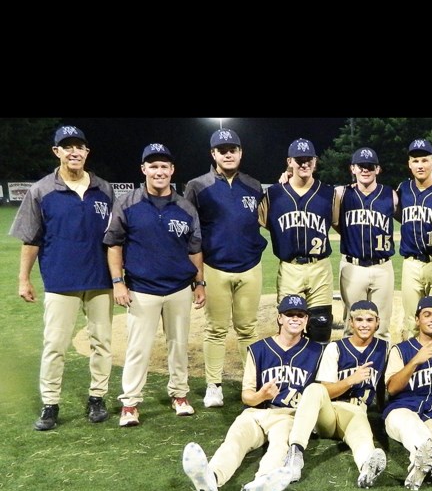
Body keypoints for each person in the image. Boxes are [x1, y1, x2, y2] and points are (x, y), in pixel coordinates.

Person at [10, 125, 115, 431]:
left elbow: (116, 237)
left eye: (79, 146)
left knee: (102, 342)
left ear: (86, 152)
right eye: (67, 147)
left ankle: (97, 398)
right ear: (56, 152)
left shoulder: (104, 189)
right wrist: (23, 279)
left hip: (100, 279)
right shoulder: (41, 190)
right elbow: (31, 239)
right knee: (55, 345)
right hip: (60, 280)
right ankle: (50, 404)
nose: (74, 152)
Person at [181, 295, 322, 491]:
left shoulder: (317, 351)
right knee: (235, 439)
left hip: (289, 415)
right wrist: (261, 395)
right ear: (280, 318)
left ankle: (263, 481)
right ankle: (211, 478)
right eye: (290, 314)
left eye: (300, 315)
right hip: (256, 412)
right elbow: (247, 396)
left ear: (306, 320)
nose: (295, 319)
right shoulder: (259, 350)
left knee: (280, 445)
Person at [104, 142, 205, 427]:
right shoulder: (128, 203)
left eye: (164, 166)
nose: (159, 171)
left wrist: (200, 282)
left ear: (172, 170)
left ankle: (180, 395)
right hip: (141, 288)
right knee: (138, 348)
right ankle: (130, 403)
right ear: (143, 169)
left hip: (178, 289)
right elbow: (113, 244)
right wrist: (118, 282)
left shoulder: (185, 206)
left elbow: (195, 249)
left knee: (179, 345)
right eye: (153, 166)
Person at [183, 128, 267, 409]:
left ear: (241, 153)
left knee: (248, 328)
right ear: (213, 154)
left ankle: (251, 384)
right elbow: (191, 232)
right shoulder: (197, 186)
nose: (228, 153)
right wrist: (198, 278)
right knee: (215, 329)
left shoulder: (254, 185)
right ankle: (213, 385)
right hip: (214, 267)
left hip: (250, 267)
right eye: (222, 150)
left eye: (233, 149)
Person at [283, 300, 390, 488]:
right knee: (314, 389)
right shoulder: (335, 348)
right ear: (351, 323)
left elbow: (381, 382)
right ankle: (295, 452)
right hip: (330, 413)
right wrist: (351, 380)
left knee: (363, 437)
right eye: (359, 320)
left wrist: (383, 409)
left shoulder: (384, 348)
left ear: (377, 322)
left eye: (369, 320)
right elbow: (325, 390)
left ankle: (366, 467)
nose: (364, 324)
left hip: (356, 412)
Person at [259, 138, 336, 344]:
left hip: (320, 267)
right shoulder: (274, 194)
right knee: (289, 327)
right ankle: (291, 371)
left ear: (315, 161)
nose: (304, 164)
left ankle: (318, 374)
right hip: (290, 268)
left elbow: (338, 223)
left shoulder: (329, 193)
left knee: (321, 327)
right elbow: (263, 222)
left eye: (308, 159)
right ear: (289, 162)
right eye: (299, 160)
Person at [382, 296, 432, 491]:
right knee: (414, 430)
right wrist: (415, 362)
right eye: (427, 315)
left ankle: (424, 465)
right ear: (417, 320)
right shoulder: (400, 350)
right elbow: (392, 388)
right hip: (401, 409)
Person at [334, 147, 398, 342]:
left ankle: (382, 370)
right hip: (352, 266)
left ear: (377, 169)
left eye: (370, 166)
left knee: (382, 327)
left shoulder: (391, 195)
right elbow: (336, 222)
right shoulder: (341, 194)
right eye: (361, 166)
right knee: (352, 325)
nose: (365, 170)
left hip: (383, 267)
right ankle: (350, 368)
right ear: (352, 168)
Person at [395, 139, 432, 340]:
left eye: (424, 160)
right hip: (411, 263)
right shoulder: (403, 189)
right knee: (412, 321)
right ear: (409, 164)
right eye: (415, 161)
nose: (420, 165)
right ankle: (410, 366)